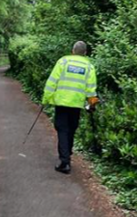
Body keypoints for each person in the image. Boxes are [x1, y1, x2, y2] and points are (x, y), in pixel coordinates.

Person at [42, 41, 99, 174]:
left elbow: (52, 81)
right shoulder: (89, 67)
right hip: (76, 104)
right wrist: (91, 104)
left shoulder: (63, 62)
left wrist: (47, 98)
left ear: (72, 51)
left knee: (62, 129)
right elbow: (91, 89)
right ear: (85, 53)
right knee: (71, 129)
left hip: (62, 102)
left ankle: (64, 161)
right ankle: (67, 154)